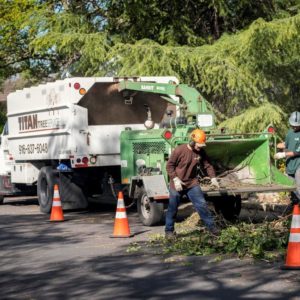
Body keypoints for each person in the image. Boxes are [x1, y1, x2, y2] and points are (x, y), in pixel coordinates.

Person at [165, 128, 220, 239]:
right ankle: (169, 231)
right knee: (173, 208)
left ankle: (212, 229)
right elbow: (169, 166)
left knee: (202, 205)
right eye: (199, 144)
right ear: (192, 141)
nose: (200, 147)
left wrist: (213, 178)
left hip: (192, 183)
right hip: (177, 184)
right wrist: (175, 179)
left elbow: (208, 165)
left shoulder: (200, 152)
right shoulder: (179, 150)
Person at [274, 111, 300, 203]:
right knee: (292, 189)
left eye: (296, 125)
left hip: (298, 164)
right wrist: (278, 145)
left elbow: (297, 152)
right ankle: (295, 211)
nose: (294, 127)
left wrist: (283, 154)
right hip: (290, 165)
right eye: (293, 125)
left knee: (298, 188)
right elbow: (287, 145)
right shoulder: (289, 133)